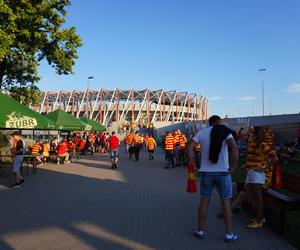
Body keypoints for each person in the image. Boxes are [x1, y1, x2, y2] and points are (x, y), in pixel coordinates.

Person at [188, 115, 239, 242]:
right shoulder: (225, 132)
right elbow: (234, 148)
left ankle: (200, 230)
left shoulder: (202, 132)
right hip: (223, 173)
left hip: (206, 173)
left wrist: (192, 162)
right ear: (219, 122)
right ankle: (229, 233)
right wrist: (233, 166)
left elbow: (190, 147)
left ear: (209, 124)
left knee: (204, 201)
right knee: (225, 202)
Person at [243, 126, 276, 228]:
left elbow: (274, 157)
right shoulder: (253, 144)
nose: (251, 135)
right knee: (247, 197)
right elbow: (252, 157)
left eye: (253, 133)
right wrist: (247, 164)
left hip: (257, 175)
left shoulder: (263, 145)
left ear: (258, 135)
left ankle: (259, 220)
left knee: (258, 198)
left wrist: (265, 168)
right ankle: (259, 216)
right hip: (250, 173)